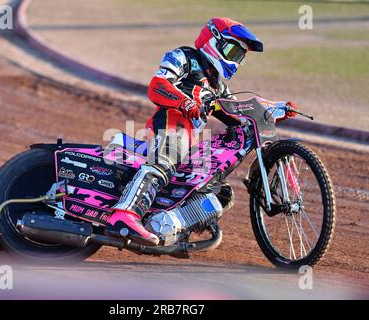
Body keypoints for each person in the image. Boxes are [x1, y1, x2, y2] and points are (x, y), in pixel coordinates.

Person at [105, 17, 266, 246]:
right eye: (232, 51)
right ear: (214, 41)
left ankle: (170, 226)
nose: (235, 61)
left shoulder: (218, 85)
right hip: (171, 125)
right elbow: (157, 85)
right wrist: (184, 102)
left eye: (240, 57)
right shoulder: (185, 57)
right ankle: (125, 215)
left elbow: (235, 116)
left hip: (191, 140)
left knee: (219, 190)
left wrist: (270, 112)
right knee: (166, 160)